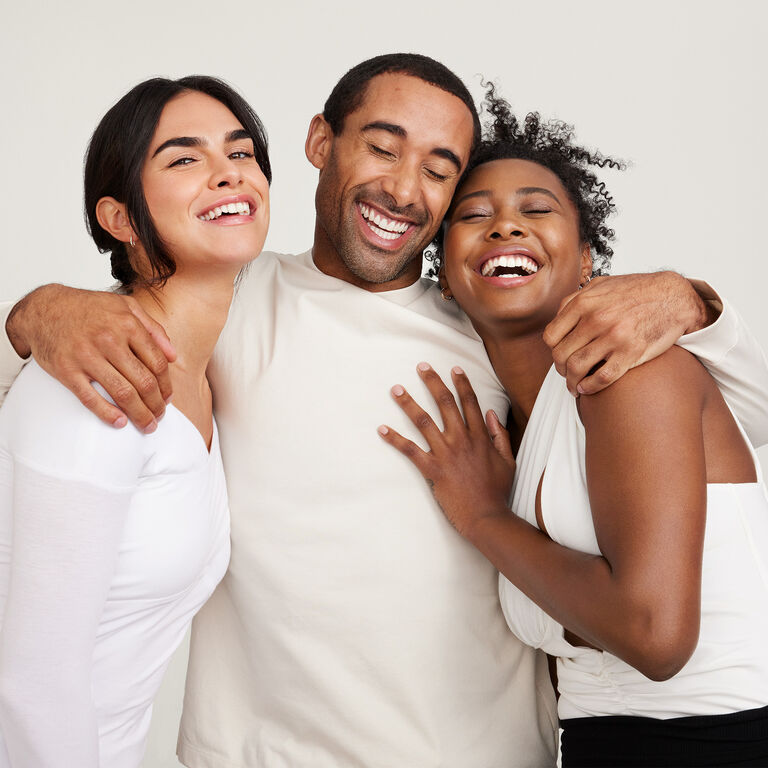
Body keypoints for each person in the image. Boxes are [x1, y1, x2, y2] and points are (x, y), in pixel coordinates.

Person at [0, 54, 766, 767]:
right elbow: (74, 369)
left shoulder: (495, 330)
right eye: (382, 147)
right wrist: (32, 316)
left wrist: (695, 302)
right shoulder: (226, 297)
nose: (405, 189)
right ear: (319, 142)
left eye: (441, 169)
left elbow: (731, 439)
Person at [378, 88, 768, 766]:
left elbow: (654, 637)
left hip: (710, 742)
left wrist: (483, 519)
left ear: (587, 259)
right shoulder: (511, 424)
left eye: (536, 210)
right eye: (473, 215)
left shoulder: (628, 371)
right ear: (444, 276)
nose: (505, 226)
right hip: (598, 742)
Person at [0, 75, 271, 767]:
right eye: (185, 159)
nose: (227, 173)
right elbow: (30, 683)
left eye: (240, 153)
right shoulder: (97, 383)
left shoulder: (206, 369)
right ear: (119, 218)